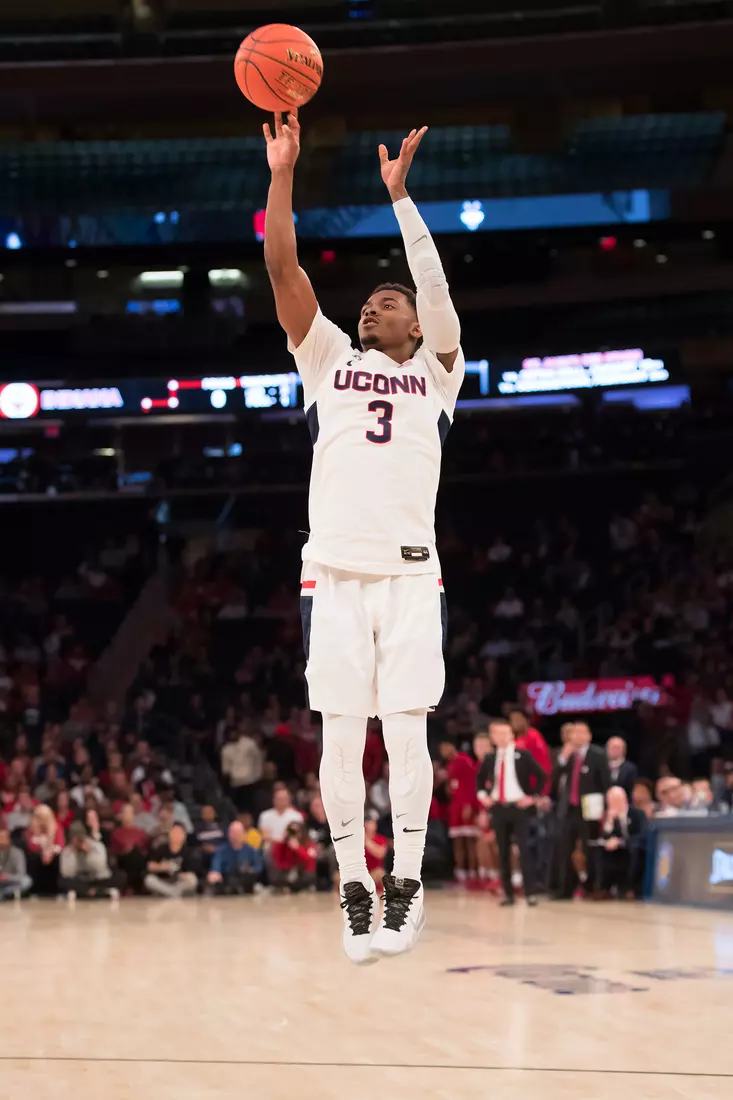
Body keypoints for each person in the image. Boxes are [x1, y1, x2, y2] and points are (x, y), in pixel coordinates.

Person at [263, 110, 462, 963]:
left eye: (390, 301)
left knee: (408, 732)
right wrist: (283, 172)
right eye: (370, 300)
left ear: (415, 327)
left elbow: (437, 286)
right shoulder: (326, 356)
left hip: (412, 577)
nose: (374, 303)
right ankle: (353, 883)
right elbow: (282, 265)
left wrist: (401, 199)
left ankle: (406, 883)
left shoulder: (437, 369)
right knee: (342, 738)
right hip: (333, 575)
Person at [476, 718, 548, 906]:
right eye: (496, 734)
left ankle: (530, 892)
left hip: (519, 808)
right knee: (503, 852)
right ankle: (508, 893)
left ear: (511, 735)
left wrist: (533, 797)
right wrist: (484, 797)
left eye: (504, 733)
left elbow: (541, 775)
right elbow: (480, 780)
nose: (500, 737)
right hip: (499, 808)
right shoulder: (490, 758)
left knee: (524, 850)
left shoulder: (522, 755)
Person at [551, 722, 611, 899]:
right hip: (569, 808)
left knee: (588, 849)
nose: (576, 736)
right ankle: (565, 889)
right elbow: (554, 779)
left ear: (588, 736)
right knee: (565, 848)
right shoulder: (568, 755)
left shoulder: (598, 755)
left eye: (580, 732)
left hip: (589, 809)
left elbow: (605, 783)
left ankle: (590, 887)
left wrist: (605, 810)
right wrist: (562, 757)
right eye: (574, 733)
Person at [438, 738, 479, 884]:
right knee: (458, 841)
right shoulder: (450, 764)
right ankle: (460, 871)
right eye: (441, 750)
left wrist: (469, 804)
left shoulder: (464, 760)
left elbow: (472, 782)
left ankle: (474, 871)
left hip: (466, 804)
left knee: (470, 841)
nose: (443, 752)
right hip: (455, 805)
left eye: (445, 747)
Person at [598, 786, 647, 897]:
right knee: (600, 851)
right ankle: (604, 888)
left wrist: (621, 842)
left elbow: (642, 835)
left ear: (624, 799)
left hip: (634, 846)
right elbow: (605, 836)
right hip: (618, 849)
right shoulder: (610, 816)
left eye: (615, 800)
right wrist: (609, 822)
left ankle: (630, 887)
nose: (613, 804)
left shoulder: (637, 814)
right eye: (610, 801)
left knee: (634, 850)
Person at [59, 821, 121, 900]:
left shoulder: (98, 847)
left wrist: (89, 854)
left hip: (98, 879)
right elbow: (66, 873)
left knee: (120, 876)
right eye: (75, 837)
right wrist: (73, 854)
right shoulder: (67, 851)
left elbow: (100, 868)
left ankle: (85, 893)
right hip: (79, 880)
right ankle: (99, 893)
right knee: (63, 881)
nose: (79, 840)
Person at [206, 821, 263, 895]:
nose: (235, 836)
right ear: (229, 834)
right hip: (227, 881)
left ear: (243, 834)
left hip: (245, 881)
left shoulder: (251, 850)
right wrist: (215, 873)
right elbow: (216, 866)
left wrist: (250, 870)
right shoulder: (221, 850)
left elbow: (258, 867)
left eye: (238, 833)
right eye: (233, 833)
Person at [144, 823, 199, 899]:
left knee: (192, 880)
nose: (176, 835)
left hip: (179, 882)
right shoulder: (162, 848)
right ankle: (172, 893)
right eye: (174, 832)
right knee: (149, 880)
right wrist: (162, 867)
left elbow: (189, 872)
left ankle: (169, 893)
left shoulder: (188, 852)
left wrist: (178, 873)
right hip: (163, 880)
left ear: (184, 836)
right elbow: (150, 865)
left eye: (179, 833)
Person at [109, 803, 150, 893]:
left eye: (130, 813)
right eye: (125, 813)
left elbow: (146, 852)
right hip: (124, 862)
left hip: (139, 863)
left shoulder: (142, 833)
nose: (127, 816)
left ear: (134, 815)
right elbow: (114, 853)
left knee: (137, 853)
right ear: (121, 815)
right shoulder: (116, 833)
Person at [508, 707, 551, 792]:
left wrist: (543, 789)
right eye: (513, 719)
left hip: (534, 784)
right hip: (516, 785)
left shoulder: (533, 736)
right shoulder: (511, 738)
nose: (516, 722)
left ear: (526, 720)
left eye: (518, 719)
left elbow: (543, 763)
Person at [270, 821, 317, 893]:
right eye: (291, 831)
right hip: (288, 871)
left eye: (296, 832)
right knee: (278, 875)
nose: (293, 834)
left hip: (303, 872)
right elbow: (277, 859)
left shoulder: (308, 843)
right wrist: (283, 842)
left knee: (308, 876)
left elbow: (310, 861)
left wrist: (298, 848)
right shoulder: (284, 844)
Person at [0, 826, 32, 899]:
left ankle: (6, 893)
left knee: (26, 880)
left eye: (2, 838)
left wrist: (8, 876)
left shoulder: (17, 853)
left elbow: (21, 873)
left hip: (11, 880)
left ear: (8, 839)